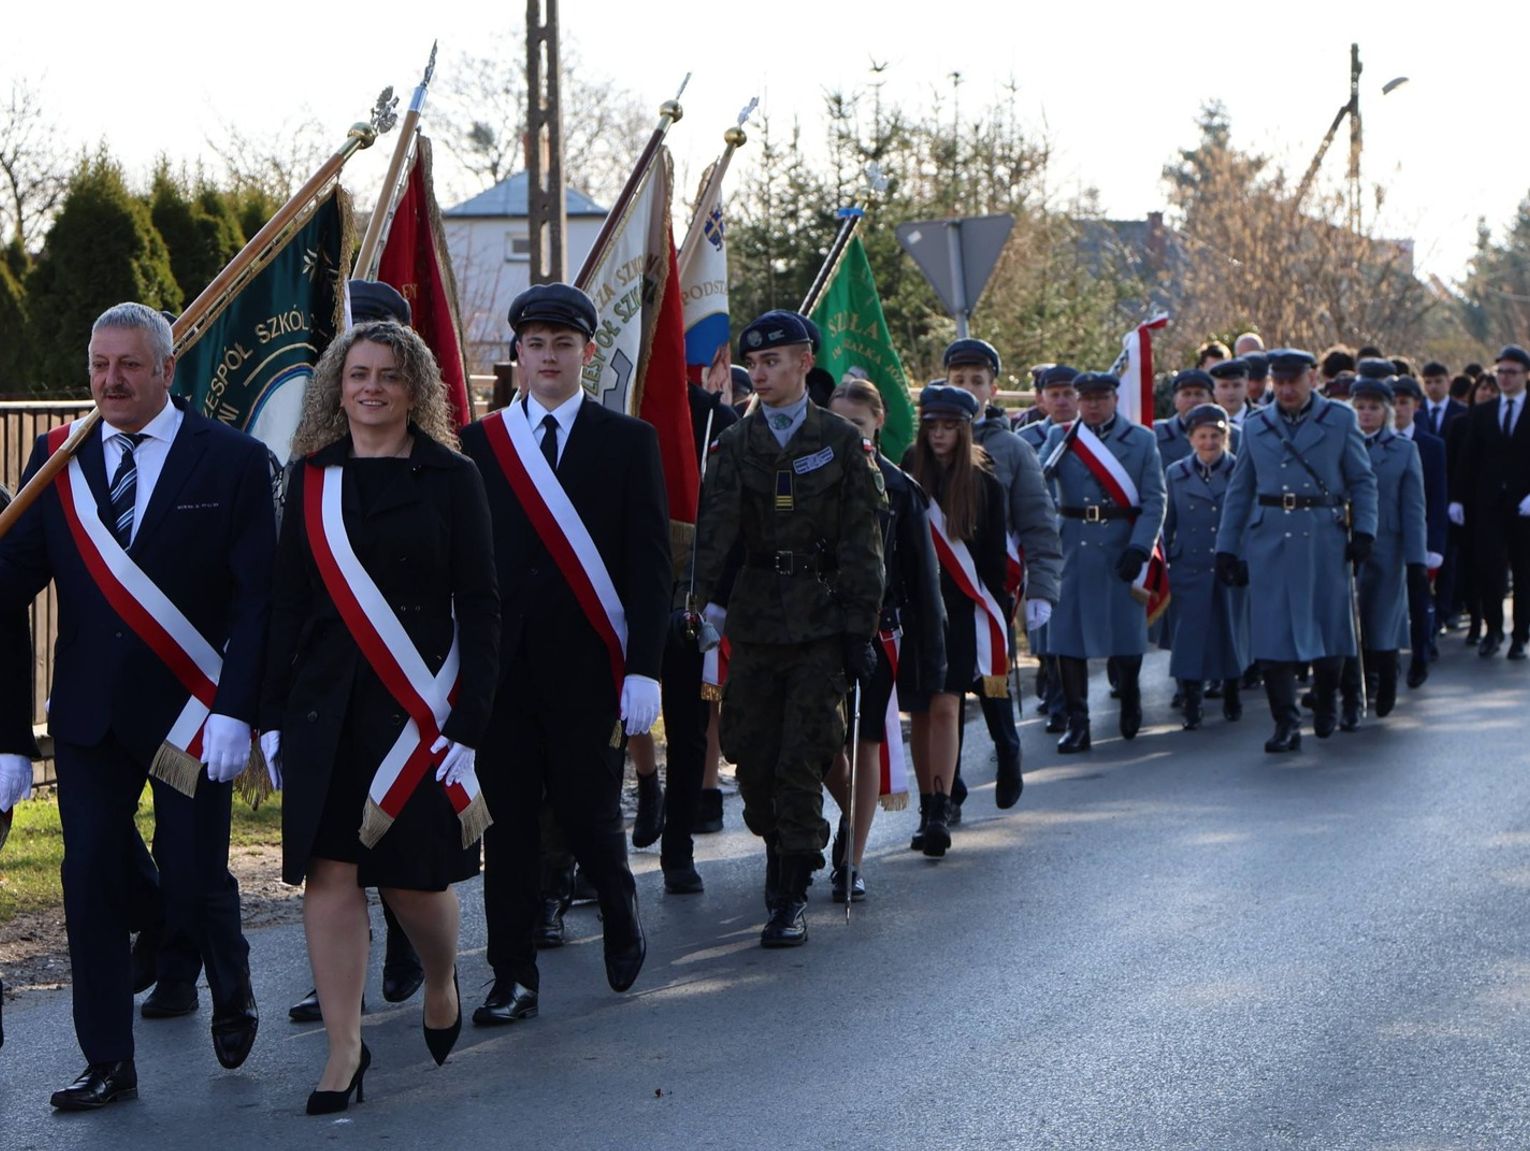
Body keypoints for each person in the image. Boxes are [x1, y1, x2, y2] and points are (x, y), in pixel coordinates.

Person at [0, 302, 273, 1109]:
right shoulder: (56, 461)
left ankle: (230, 979)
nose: (110, 381)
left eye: (127, 365)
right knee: (87, 878)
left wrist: (237, 708)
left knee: (191, 875)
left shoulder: (231, 460)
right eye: (98, 366)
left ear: (165, 370)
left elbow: (258, 600)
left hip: (193, 710)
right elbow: (13, 582)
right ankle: (108, 1060)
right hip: (88, 712)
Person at [260, 321, 497, 1111]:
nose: (371, 387)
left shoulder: (452, 477)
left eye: (389, 376)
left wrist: (467, 719)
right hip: (326, 709)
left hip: (417, 714)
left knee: (411, 881)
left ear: (413, 388)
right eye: (357, 373)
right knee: (329, 873)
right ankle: (342, 1048)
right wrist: (268, 715)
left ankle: (439, 976)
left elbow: (482, 605)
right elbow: (287, 604)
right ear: (338, 386)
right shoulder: (311, 480)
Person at [459, 283, 669, 1018]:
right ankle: (511, 975)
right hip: (503, 672)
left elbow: (649, 565)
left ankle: (618, 907)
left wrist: (645, 665)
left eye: (563, 344)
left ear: (587, 352)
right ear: (516, 354)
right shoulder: (478, 444)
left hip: (589, 665)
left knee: (588, 813)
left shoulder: (626, 440)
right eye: (536, 344)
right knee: (507, 827)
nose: (549, 357)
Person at [688, 308, 884, 947]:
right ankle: (782, 848)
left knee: (802, 756)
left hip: (820, 622)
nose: (762, 373)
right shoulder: (734, 444)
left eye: (774, 361)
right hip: (754, 620)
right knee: (754, 757)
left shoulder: (841, 442)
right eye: (756, 363)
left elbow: (863, 542)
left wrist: (860, 630)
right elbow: (714, 535)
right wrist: (702, 610)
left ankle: (789, 890)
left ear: (805, 362)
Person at [284, 278, 425, 1027]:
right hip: (327, 683)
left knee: (393, 825)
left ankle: (409, 948)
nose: (369, 374)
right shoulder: (314, 457)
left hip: (405, 682)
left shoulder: (434, 460)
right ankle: (336, 982)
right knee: (335, 842)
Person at [1215, 349, 1378, 753]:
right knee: (1273, 634)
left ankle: (1326, 701)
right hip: (1269, 537)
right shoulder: (1256, 426)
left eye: (1294, 380)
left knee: (1328, 625)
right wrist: (1226, 547)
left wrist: (1365, 532)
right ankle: (1285, 722)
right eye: (1280, 381)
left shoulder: (1339, 420)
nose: (1286, 389)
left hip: (1322, 534)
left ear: (1312, 378)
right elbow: (1240, 490)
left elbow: (1362, 480)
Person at [826, 380, 945, 896]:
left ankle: (852, 856)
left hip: (878, 631)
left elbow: (922, 580)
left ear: (877, 422)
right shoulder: (808, 477)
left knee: (866, 738)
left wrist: (932, 657)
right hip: (814, 628)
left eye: (856, 424)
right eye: (837, 423)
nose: (847, 434)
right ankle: (840, 814)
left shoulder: (901, 490)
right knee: (820, 740)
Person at [629, 375, 741, 893]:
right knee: (607, 725)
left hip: (688, 594)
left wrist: (709, 597)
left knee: (689, 726)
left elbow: (733, 519)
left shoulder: (718, 420)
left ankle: (679, 847)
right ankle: (593, 857)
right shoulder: (614, 394)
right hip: (620, 593)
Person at [942, 338, 1061, 814]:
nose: (967, 389)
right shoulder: (930, 440)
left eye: (976, 381)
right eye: (958, 381)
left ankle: (1007, 749)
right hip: (940, 583)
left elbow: (1037, 521)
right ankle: (944, 792)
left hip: (992, 586)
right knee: (942, 688)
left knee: (989, 680)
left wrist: (1042, 588)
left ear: (993, 388)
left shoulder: (1012, 448)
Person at [900, 384, 1008, 856]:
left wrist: (998, 626)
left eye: (948, 427)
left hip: (961, 612)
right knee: (920, 711)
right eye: (932, 426)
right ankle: (927, 805)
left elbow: (993, 567)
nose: (939, 435)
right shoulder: (906, 471)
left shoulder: (985, 484)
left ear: (964, 431)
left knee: (947, 706)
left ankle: (942, 806)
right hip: (914, 609)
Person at [1040, 371, 1166, 752]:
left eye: (1102, 397)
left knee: (1125, 636)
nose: (1094, 405)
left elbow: (1155, 499)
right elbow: (1038, 483)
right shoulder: (1060, 438)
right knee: (1068, 638)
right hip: (1073, 546)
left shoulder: (1141, 440)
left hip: (1119, 544)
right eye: (1087, 398)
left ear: (1114, 398)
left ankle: (1130, 696)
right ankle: (1079, 723)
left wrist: (1140, 548)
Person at [1341, 377, 1427, 727]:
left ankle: (1387, 672)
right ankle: (1349, 690)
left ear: (1388, 412)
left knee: (1382, 616)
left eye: (1374, 408)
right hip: (1346, 542)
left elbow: (1413, 507)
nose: (1366, 414)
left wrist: (1417, 557)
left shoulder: (1404, 450)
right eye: (1360, 407)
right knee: (1345, 618)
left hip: (1388, 542)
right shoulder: (1341, 445)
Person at [1163, 404, 1248, 729]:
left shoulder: (1239, 470)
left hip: (1227, 562)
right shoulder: (1176, 473)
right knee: (1190, 636)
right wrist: (1165, 557)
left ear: (1225, 437)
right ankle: (1191, 701)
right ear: (1191, 438)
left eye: (1215, 436)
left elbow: (1247, 517)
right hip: (1189, 564)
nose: (1209, 442)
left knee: (1229, 631)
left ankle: (1231, 692)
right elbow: (1167, 522)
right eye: (1202, 436)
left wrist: (1244, 559)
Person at [1450, 345, 1530, 660]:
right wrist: (1457, 498)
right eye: (1501, 372)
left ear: (1525, 375)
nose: (1505, 378)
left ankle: (1520, 633)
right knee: (1489, 569)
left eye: (1511, 372)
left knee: (1524, 572)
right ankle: (1493, 629)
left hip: (1524, 504)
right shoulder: (1483, 411)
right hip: (1488, 504)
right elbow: (1468, 459)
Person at [1020, 365, 1078, 733]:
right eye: (1052, 393)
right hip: (1040, 542)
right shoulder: (1025, 438)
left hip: (1080, 542)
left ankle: (1069, 700)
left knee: (1070, 628)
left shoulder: (1092, 436)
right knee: (1048, 627)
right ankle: (1058, 700)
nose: (1060, 400)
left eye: (1067, 392)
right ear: (1040, 398)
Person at [1390, 376, 1448, 686]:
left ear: (1417, 406)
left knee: (1419, 598)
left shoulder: (1431, 445)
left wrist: (1436, 544)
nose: (1398, 409)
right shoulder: (1374, 441)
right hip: (1386, 534)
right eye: (1394, 403)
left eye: (1404, 403)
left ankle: (1421, 655)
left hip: (1419, 534)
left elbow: (1438, 498)